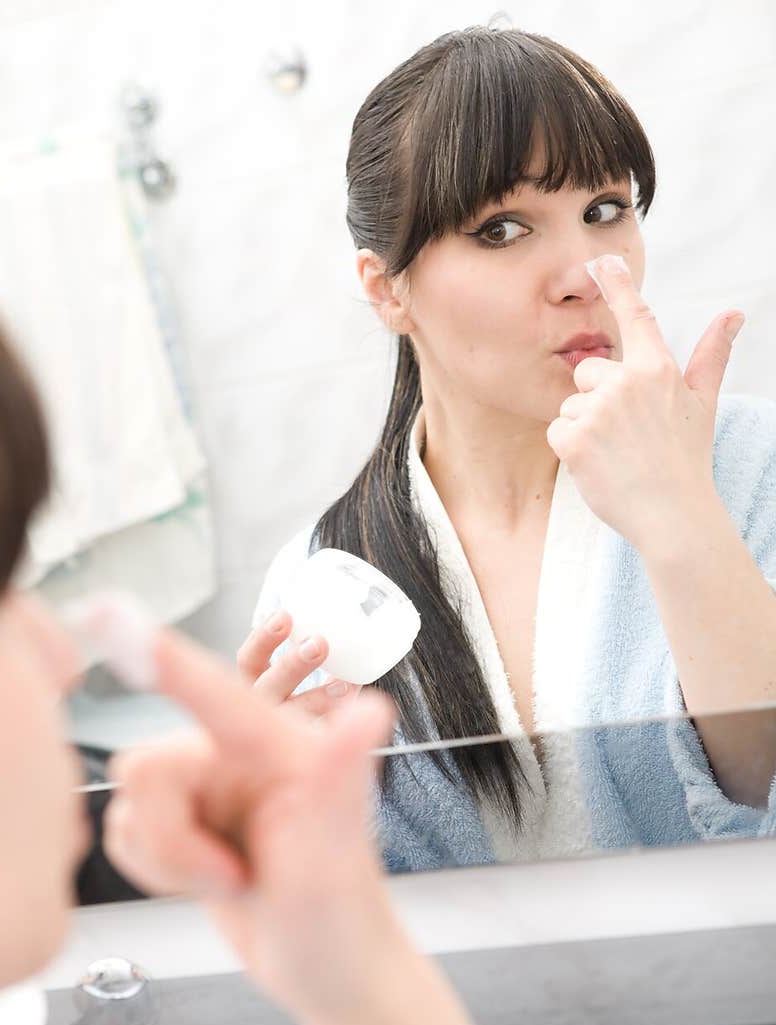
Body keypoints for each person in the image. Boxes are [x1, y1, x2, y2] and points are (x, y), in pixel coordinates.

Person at [0, 236, 719, 1025]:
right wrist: (373, 1001)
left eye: (608, 207)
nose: (55, 657)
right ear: (385, 287)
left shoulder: (725, 458)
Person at [246, 26, 776, 873]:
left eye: (606, 211)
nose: (586, 272)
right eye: (501, 229)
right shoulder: (327, 574)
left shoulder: (751, 468)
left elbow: (765, 786)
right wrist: (269, 825)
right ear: (389, 290)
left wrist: (684, 523)